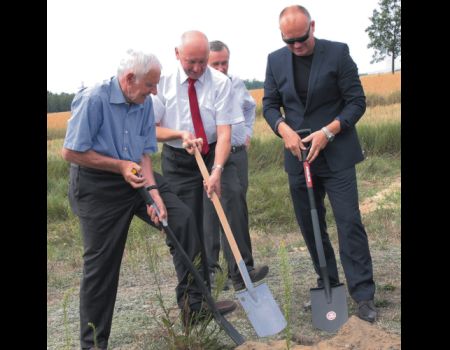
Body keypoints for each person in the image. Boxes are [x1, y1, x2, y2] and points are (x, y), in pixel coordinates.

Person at [61, 49, 236, 350]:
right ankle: (92, 344)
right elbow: (71, 152)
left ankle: (195, 307)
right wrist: (118, 166)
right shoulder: (93, 99)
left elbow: (143, 153)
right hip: (98, 185)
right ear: (129, 79)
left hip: (136, 175)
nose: (155, 91)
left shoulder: (142, 103)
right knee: (102, 266)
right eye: (150, 85)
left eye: (156, 85)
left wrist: (154, 194)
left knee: (182, 219)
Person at [263, 5, 377, 323]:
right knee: (311, 227)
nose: (297, 46)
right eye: (290, 41)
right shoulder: (275, 60)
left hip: (337, 154)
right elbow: (270, 105)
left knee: (349, 223)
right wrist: (282, 129)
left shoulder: (338, 53)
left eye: (302, 38)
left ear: (312, 26)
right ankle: (328, 283)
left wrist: (329, 131)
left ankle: (364, 294)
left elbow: (357, 101)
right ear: (282, 36)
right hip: (298, 158)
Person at [152, 31, 268, 293]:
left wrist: (216, 171)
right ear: (177, 54)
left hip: (213, 151)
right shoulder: (163, 84)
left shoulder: (219, 83)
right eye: (191, 62)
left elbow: (224, 132)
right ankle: (201, 284)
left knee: (233, 196)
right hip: (178, 159)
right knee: (188, 219)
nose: (197, 68)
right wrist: (179, 135)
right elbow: (152, 129)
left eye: (203, 62)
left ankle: (241, 271)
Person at [203, 40, 268, 291]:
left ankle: (241, 269)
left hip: (238, 154)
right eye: (215, 63)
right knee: (210, 213)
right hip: (212, 156)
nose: (220, 68)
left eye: (224, 62)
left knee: (237, 209)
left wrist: (248, 132)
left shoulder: (236, 83)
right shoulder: (203, 88)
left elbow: (250, 108)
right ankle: (211, 270)